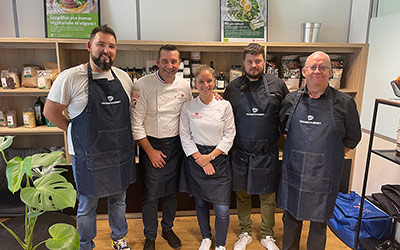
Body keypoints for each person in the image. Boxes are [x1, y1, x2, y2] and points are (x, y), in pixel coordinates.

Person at [43, 25, 136, 250]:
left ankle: (119, 240)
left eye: (111, 46)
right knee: (86, 204)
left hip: (118, 152)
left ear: (116, 50)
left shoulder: (123, 77)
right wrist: (74, 131)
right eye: (101, 44)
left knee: (118, 200)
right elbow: (50, 112)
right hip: (88, 154)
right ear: (89, 46)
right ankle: (85, 245)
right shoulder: (70, 78)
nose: (106, 50)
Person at [278, 51, 362, 250]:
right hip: (294, 172)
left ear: (330, 72)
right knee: (290, 219)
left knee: (319, 223)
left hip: (324, 175)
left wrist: (330, 153)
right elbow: (283, 130)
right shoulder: (290, 100)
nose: (317, 71)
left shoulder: (345, 103)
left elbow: (353, 137)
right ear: (304, 71)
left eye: (323, 67)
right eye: (313, 67)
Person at [223, 43, 289, 250]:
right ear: (243, 62)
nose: (254, 65)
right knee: (242, 194)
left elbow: (286, 117)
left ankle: (267, 234)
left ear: (264, 62)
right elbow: (225, 118)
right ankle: (245, 232)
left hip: (267, 152)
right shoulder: (232, 88)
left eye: (258, 61)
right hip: (240, 151)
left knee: (267, 195)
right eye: (250, 61)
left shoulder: (278, 85)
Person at [131, 44, 192, 250]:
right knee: (150, 196)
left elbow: (192, 111)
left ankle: (167, 228)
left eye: (173, 61)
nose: (169, 65)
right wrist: (150, 151)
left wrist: (214, 99)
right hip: (152, 145)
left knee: (171, 193)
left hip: (176, 145)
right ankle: (150, 236)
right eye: (165, 61)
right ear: (157, 62)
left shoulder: (184, 86)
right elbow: (136, 124)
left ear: (179, 64)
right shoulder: (142, 85)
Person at [179, 65, 236, 250]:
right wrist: (200, 160)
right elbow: (185, 136)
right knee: (201, 201)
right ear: (194, 83)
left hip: (218, 158)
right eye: (201, 81)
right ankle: (206, 237)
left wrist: (209, 158)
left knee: (222, 209)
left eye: (209, 81)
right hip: (196, 160)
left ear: (215, 82)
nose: (205, 85)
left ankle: (220, 244)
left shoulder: (224, 105)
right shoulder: (188, 106)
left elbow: (229, 135)